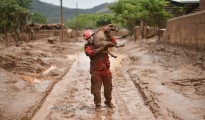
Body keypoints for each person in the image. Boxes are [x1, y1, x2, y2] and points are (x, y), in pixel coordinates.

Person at [83, 30, 116, 108]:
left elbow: (114, 43)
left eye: (90, 38)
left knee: (108, 88)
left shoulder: (103, 42)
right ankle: (97, 103)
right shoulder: (88, 46)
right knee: (96, 89)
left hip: (106, 69)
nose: (89, 40)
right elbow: (89, 53)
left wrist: (110, 36)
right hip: (96, 71)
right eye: (87, 39)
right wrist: (99, 50)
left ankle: (108, 101)